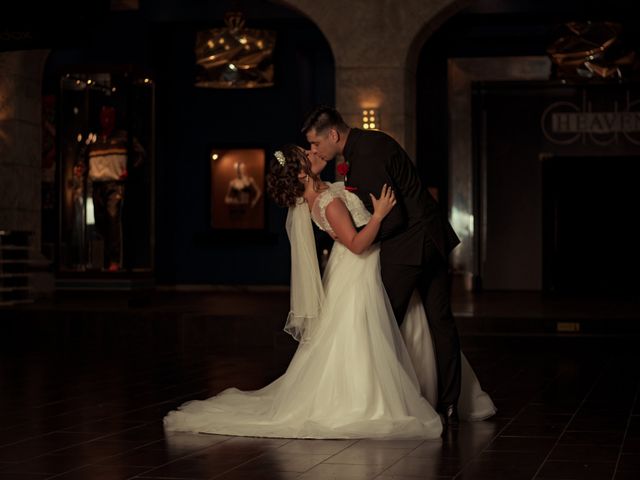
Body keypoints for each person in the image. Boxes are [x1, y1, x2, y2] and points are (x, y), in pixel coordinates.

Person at [163, 145, 495, 439]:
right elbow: (356, 244)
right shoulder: (326, 200)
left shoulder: (322, 194)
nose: (312, 153)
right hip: (360, 269)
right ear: (301, 173)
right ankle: (384, 399)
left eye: (310, 148)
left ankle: (426, 390)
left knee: (402, 325)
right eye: (305, 155)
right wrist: (379, 215)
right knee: (373, 334)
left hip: (354, 269)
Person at [303, 105, 463, 425]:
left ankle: (387, 403)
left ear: (333, 134)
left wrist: (358, 241)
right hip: (433, 238)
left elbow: (395, 217)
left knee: (381, 323)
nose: (314, 150)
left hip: (408, 247)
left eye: (317, 143)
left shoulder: (365, 160)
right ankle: (449, 402)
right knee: (440, 322)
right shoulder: (372, 143)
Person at [78, 105, 145, 272]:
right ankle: (103, 257)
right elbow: (82, 156)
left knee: (113, 217)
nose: (106, 119)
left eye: (110, 116)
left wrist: (129, 170)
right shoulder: (93, 138)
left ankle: (115, 260)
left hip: (115, 184)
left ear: (114, 118)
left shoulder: (123, 136)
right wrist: (81, 168)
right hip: (97, 183)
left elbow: (140, 153)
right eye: (104, 116)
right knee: (99, 220)